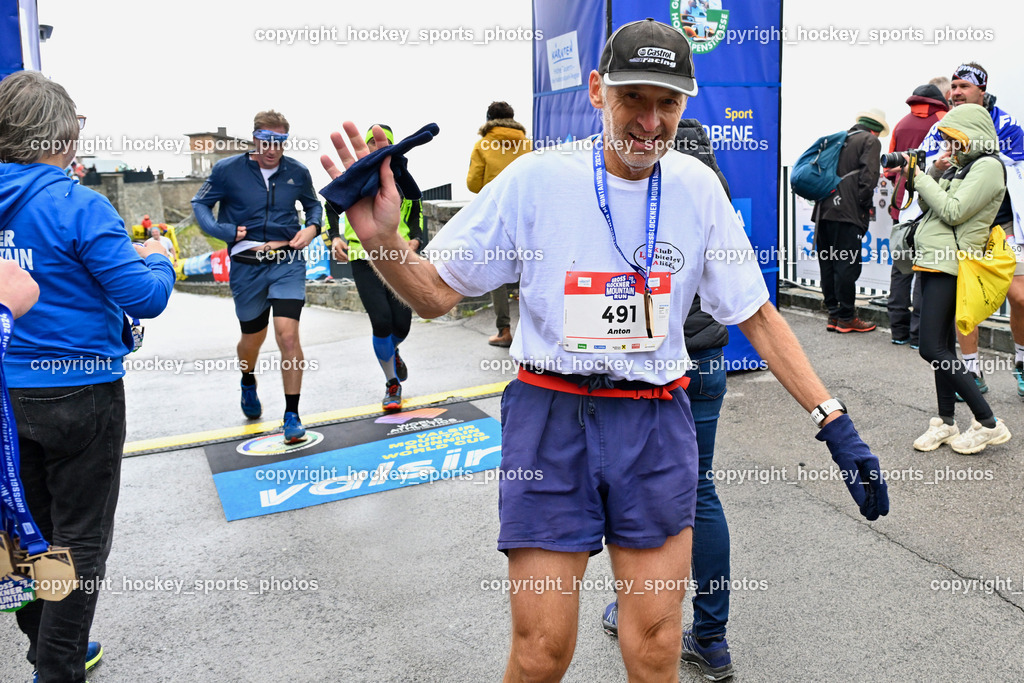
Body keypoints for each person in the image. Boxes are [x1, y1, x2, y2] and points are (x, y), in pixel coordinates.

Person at [321, 19, 888, 681]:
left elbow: (757, 314)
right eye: (633, 99)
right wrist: (383, 239)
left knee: (654, 646)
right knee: (540, 653)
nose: (650, 122)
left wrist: (833, 420)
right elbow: (435, 294)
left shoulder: (696, 188)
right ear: (597, 90)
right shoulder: (535, 180)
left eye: (668, 103)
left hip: (653, 421)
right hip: (550, 417)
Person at [0, 70, 175, 683]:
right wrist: (160, 261)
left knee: (28, 531)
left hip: (6, 392)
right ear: (59, 135)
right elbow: (144, 298)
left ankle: (42, 647)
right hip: (81, 392)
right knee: (78, 542)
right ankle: (58, 667)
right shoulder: (78, 204)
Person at [601, 118, 736, 681]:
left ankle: (649, 614)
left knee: (640, 494)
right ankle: (712, 638)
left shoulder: (656, 191)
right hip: (709, 362)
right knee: (700, 491)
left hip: (661, 371)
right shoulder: (715, 193)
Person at [191, 109, 323, 442]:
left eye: (279, 142)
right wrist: (223, 230)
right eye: (265, 141)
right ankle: (247, 380)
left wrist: (312, 228)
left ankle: (292, 415)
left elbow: (314, 206)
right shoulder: (227, 170)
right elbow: (200, 204)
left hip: (287, 262)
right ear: (254, 138)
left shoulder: (298, 172)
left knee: (288, 336)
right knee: (252, 340)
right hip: (247, 267)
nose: (271, 149)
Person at [909, 103, 1012, 454]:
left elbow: (952, 213)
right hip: (932, 260)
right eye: (948, 140)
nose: (951, 147)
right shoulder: (963, 167)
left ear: (973, 134)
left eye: (956, 140)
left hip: (950, 262)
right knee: (942, 348)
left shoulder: (987, 167)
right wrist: (933, 174)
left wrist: (921, 179)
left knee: (931, 348)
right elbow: (929, 209)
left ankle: (988, 423)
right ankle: (946, 423)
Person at [924, 63, 1024, 398]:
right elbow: (924, 163)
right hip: (965, 225)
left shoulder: (1006, 124)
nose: (955, 93)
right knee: (964, 300)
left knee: (1021, 297)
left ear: (982, 90)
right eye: (952, 86)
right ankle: (972, 370)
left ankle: (1021, 362)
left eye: (964, 86)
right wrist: (934, 167)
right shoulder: (945, 124)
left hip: (1005, 223)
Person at [326, 125, 423, 411]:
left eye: (381, 144)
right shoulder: (354, 178)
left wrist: (416, 238)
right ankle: (392, 383)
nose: (375, 148)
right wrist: (333, 237)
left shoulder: (403, 179)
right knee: (381, 321)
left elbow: (416, 212)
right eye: (370, 144)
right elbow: (331, 206)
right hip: (363, 256)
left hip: (397, 255)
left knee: (401, 324)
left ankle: (392, 350)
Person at [884, 84, 949, 347]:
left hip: (902, 203)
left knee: (901, 267)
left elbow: (889, 169)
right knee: (925, 270)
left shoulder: (900, 124)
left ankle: (897, 331)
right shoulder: (944, 121)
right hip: (929, 202)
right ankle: (918, 334)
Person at [811, 108, 887, 334]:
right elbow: (869, 176)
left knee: (829, 262)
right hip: (846, 213)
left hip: (823, 211)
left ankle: (833, 316)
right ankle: (846, 317)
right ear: (877, 129)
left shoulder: (840, 138)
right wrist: (863, 206)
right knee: (846, 265)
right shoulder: (870, 141)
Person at [467, 101, 533, 348]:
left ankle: (504, 331)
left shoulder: (483, 144)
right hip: (527, 216)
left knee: (497, 276)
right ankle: (531, 334)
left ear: (488, 118)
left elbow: (473, 185)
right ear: (513, 119)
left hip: (497, 217)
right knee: (531, 271)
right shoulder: (527, 144)